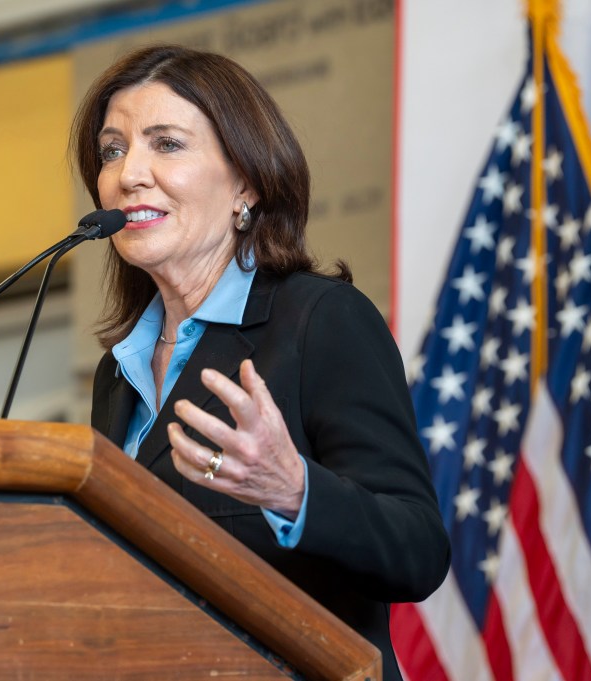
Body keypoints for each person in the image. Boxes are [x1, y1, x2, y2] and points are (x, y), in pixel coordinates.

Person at [71, 44, 450, 680]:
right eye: (113, 150)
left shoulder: (321, 321)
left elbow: (418, 550)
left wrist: (293, 491)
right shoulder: (120, 373)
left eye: (166, 144)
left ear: (245, 181)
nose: (128, 173)